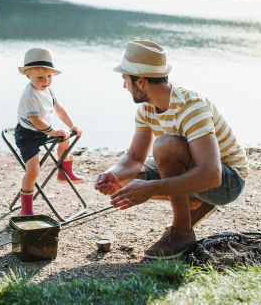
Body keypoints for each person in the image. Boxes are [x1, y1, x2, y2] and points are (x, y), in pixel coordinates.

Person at [94, 40, 248, 259]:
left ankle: (182, 232)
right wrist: (113, 174)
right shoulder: (147, 109)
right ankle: (194, 202)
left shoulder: (191, 106)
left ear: (141, 81)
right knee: (126, 179)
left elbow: (212, 175)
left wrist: (152, 188)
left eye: (125, 80)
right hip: (200, 174)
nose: (124, 86)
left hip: (227, 181)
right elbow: (134, 158)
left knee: (165, 145)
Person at [15, 48, 84, 216]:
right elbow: (36, 122)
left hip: (44, 130)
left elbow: (59, 109)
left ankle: (63, 170)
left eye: (49, 77)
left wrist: (71, 125)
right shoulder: (29, 96)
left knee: (65, 139)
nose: (46, 81)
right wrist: (54, 132)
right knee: (33, 170)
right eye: (40, 77)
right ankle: (26, 207)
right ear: (28, 76)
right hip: (27, 135)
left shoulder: (48, 90)